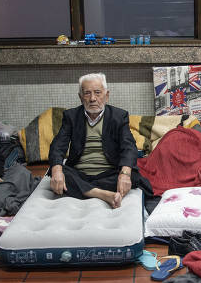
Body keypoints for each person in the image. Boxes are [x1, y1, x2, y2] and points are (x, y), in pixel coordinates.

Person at [48, 73, 151, 208]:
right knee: (55, 172)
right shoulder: (71, 116)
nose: (92, 99)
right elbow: (58, 146)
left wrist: (125, 174)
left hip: (109, 174)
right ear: (80, 97)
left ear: (106, 95)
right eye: (87, 93)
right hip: (80, 174)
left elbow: (129, 147)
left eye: (97, 93)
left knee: (133, 176)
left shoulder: (119, 116)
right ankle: (103, 194)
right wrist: (56, 171)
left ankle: (86, 190)